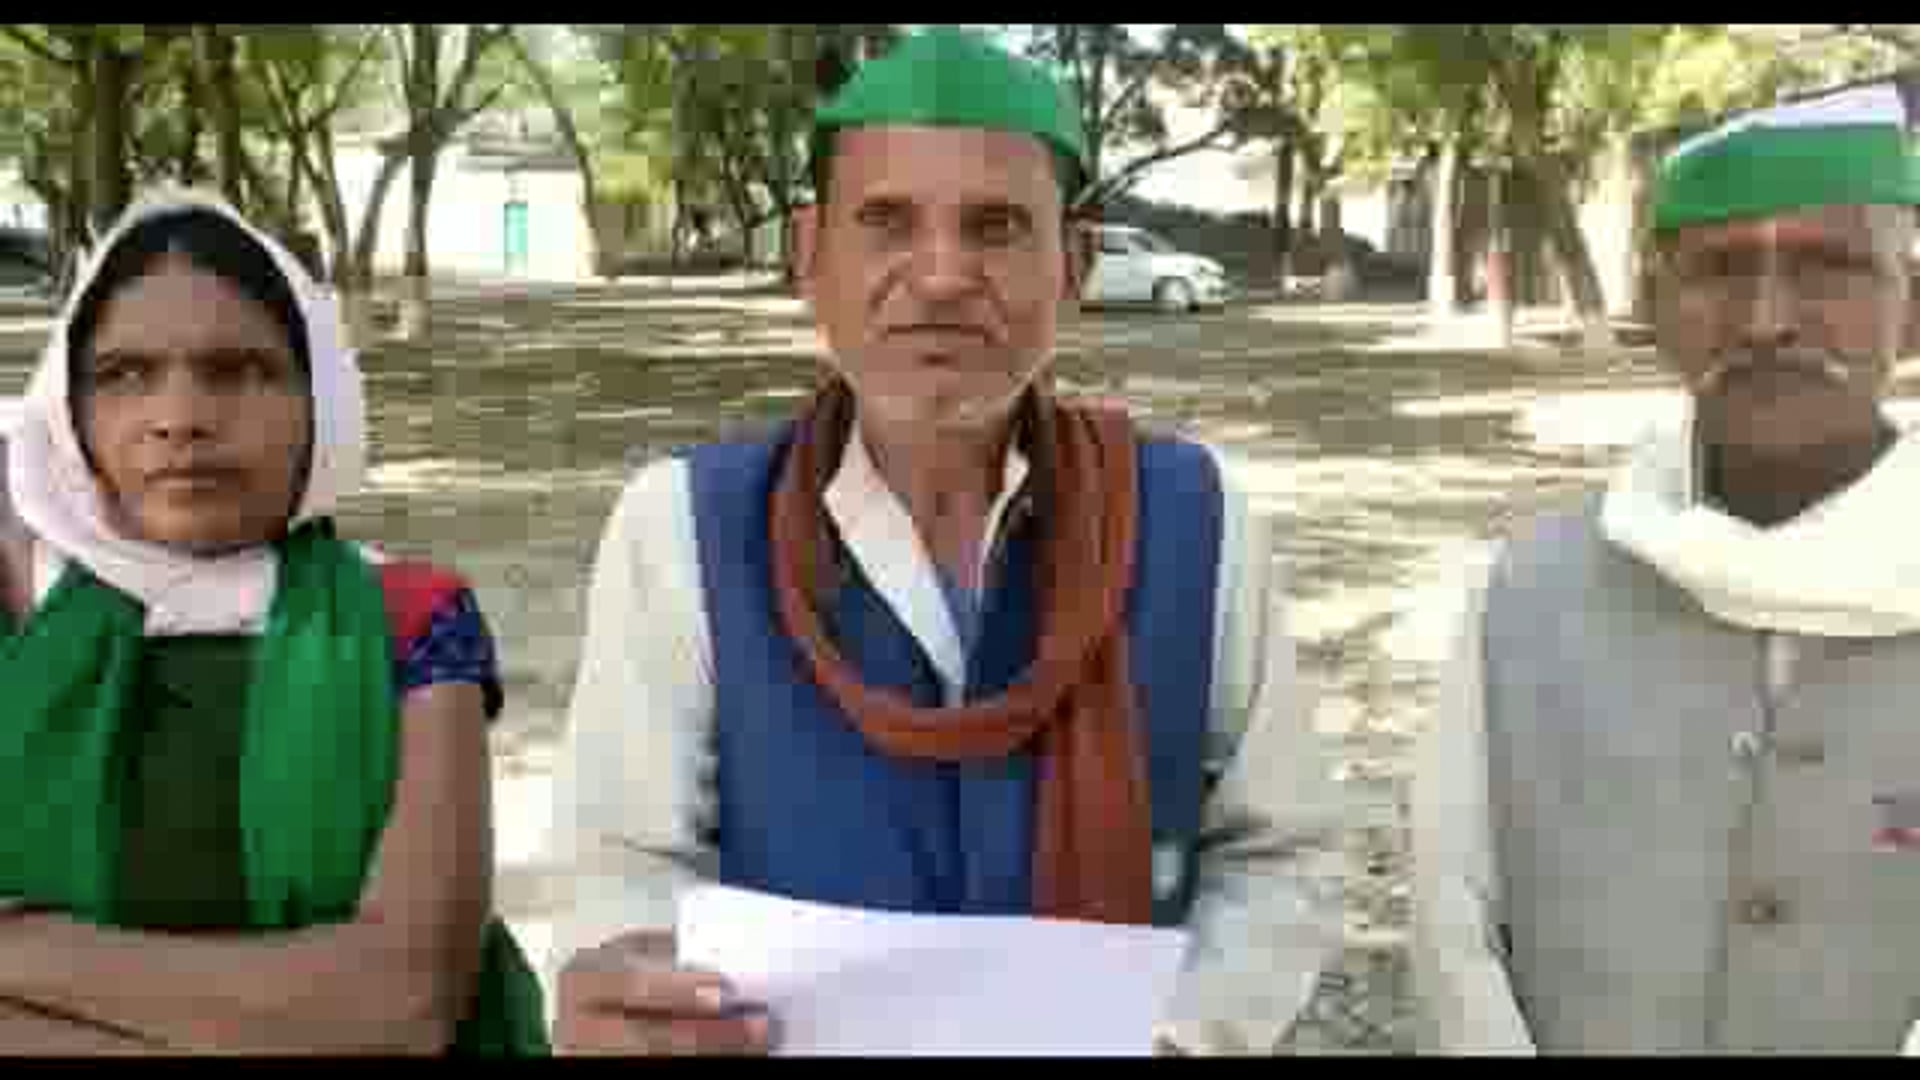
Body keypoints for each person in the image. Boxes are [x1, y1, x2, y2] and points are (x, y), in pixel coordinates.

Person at [546, 26, 1343, 1057]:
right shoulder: (681, 530)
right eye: (886, 222)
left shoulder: (1195, 520)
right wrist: (645, 1000)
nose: (940, 275)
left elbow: (1281, 856)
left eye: (996, 227)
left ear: (1075, 264)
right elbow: (622, 872)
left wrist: (1178, 1037)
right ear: (808, 255)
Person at [1410, 80, 1920, 1054]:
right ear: (1654, 311)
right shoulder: (1528, 593)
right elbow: (1452, 919)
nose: (1765, 319)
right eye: (1720, 271)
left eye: (1830, 267)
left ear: (1914, 307)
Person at [0, 191, 548, 1055]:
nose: (180, 418)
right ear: (70, 409)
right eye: (124, 374)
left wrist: (22, 953)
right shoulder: (19, 616)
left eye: (237, 370)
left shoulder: (408, 619)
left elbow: (401, 1001)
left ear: (317, 397)